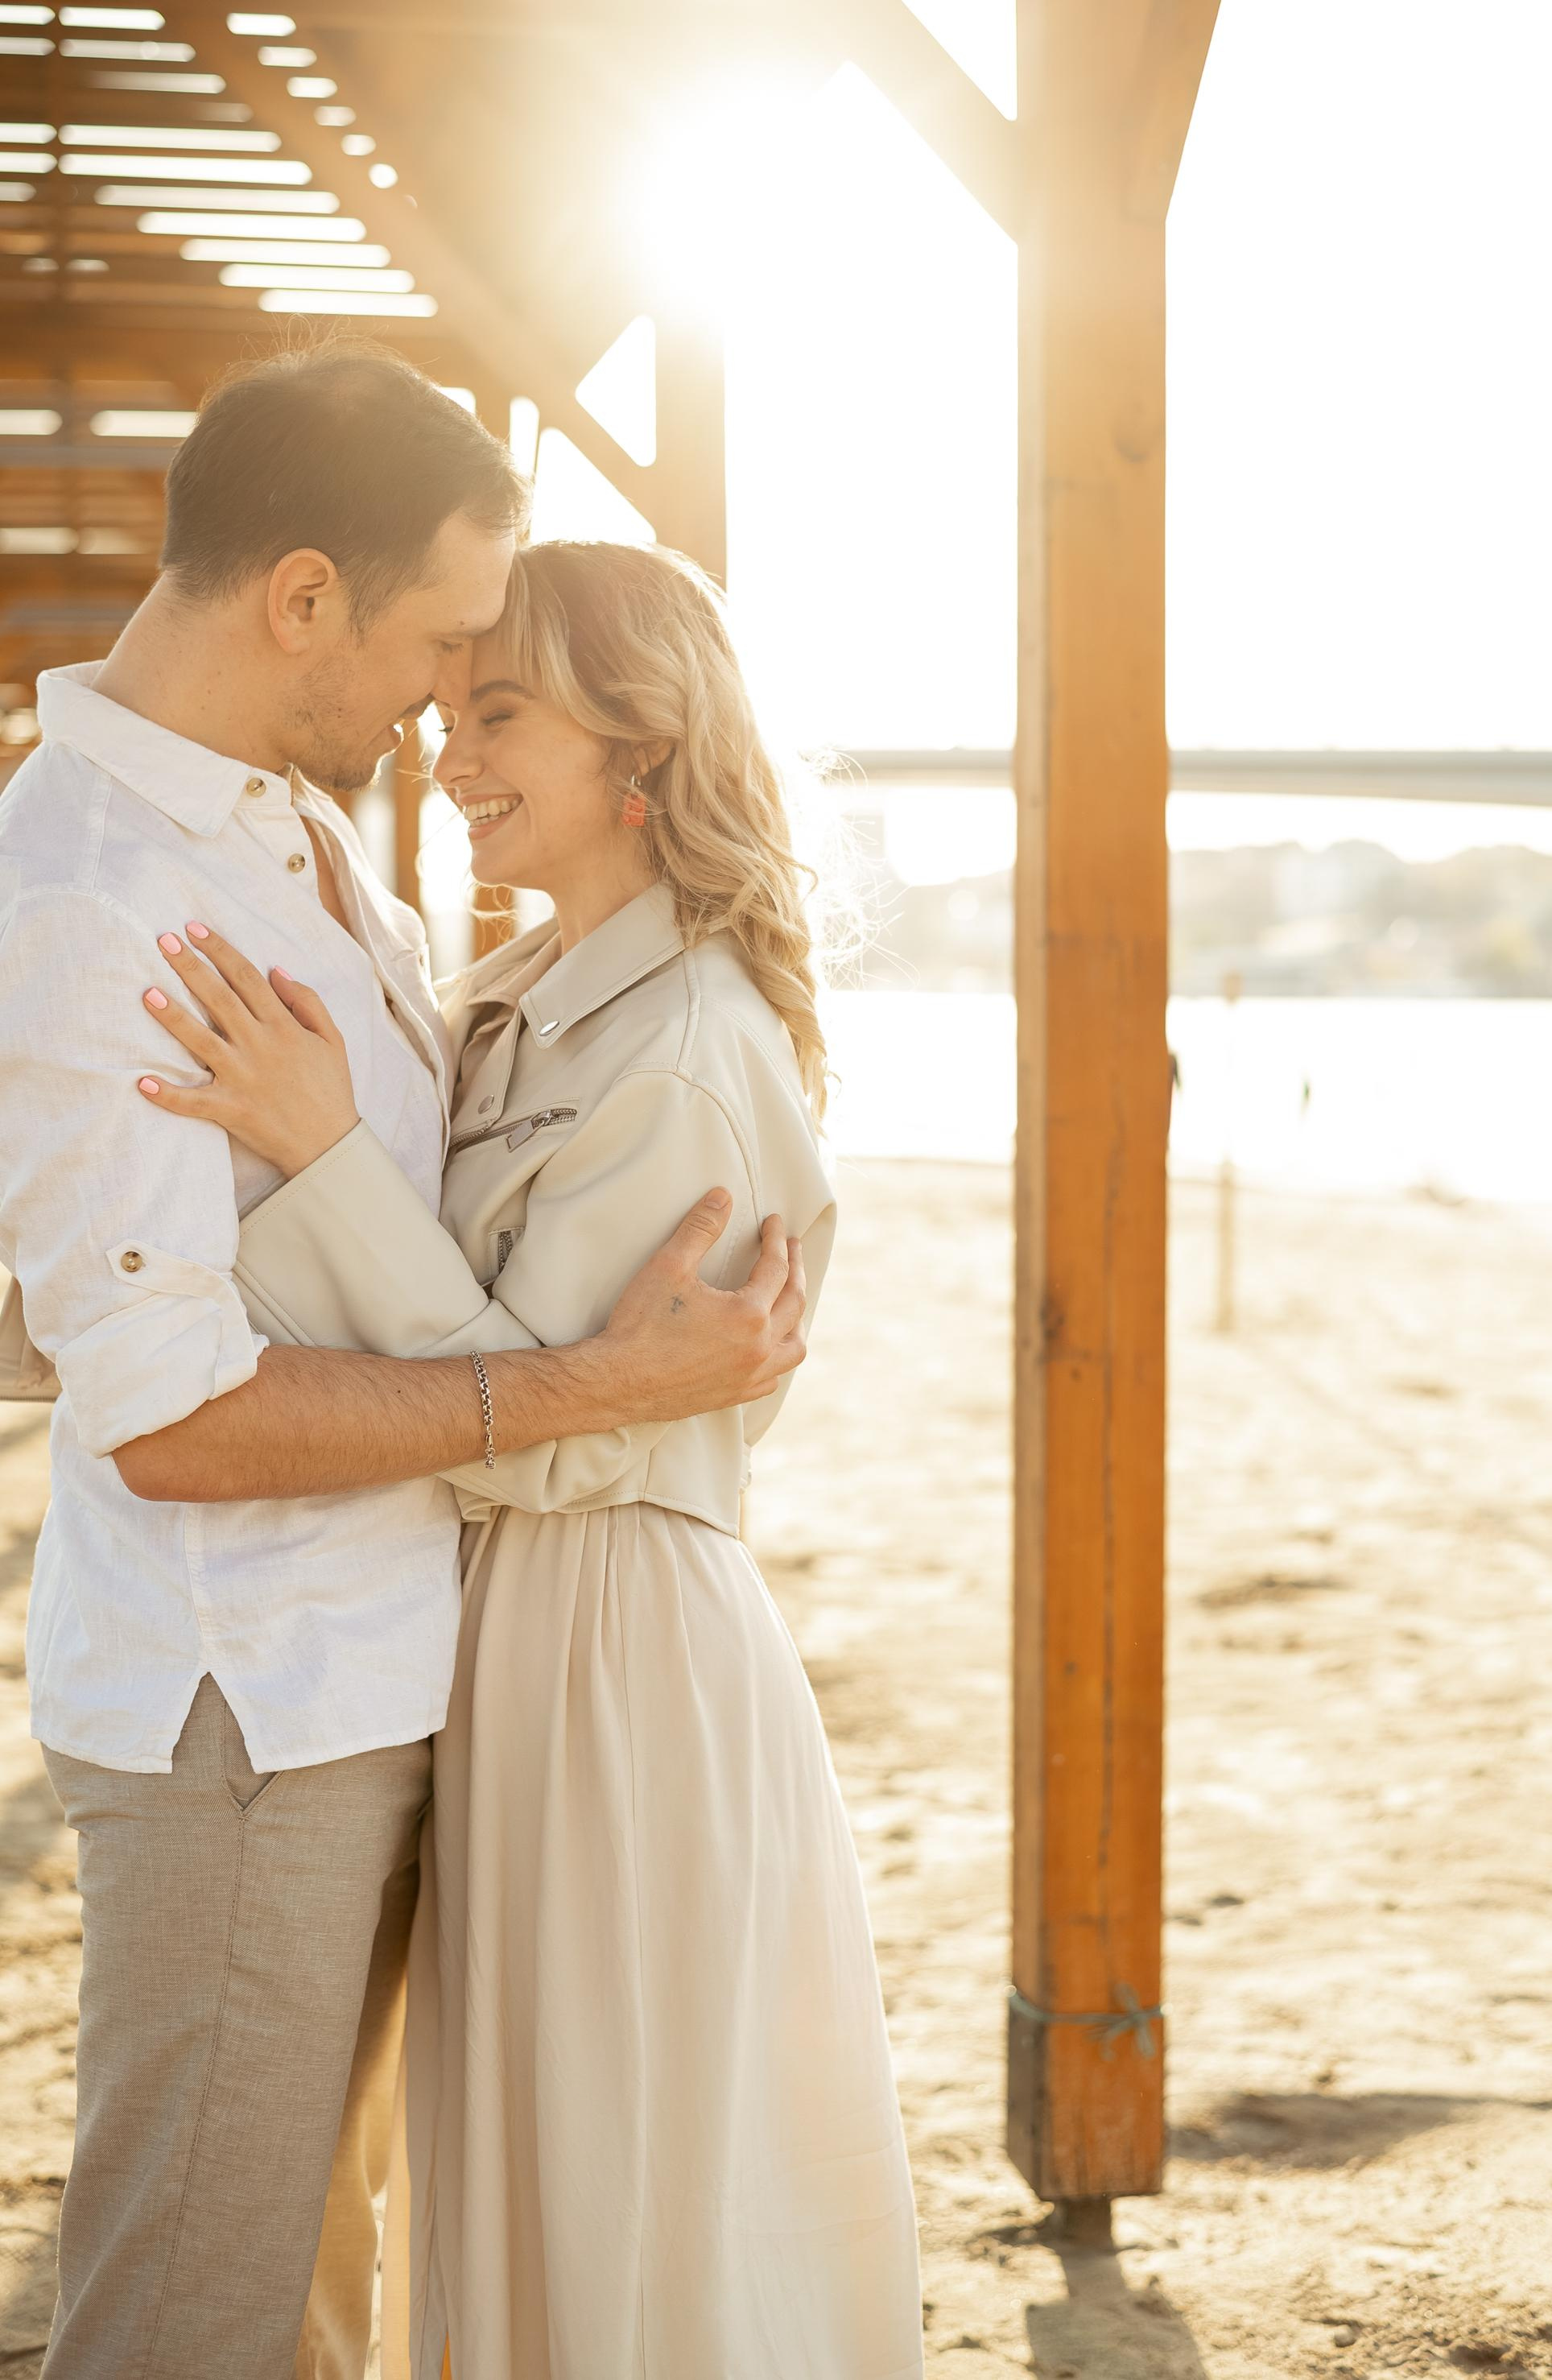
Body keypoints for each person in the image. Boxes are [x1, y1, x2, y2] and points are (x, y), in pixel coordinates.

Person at [0, 349, 809, 2380]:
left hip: (380, 1674)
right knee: (195, 2306)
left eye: (498, 686)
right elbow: (176, 1411)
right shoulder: (105, 888)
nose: (449, 710)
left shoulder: (282, 823)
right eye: (447, 645)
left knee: (310, 2302)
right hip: (247, 1701)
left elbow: (130, 1290)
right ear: (302, 599)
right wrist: (589, 1388)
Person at [135, 539, 925, 2378]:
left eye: (499, 712)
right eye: (454, 703)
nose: (449, 748)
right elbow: (507, 1370)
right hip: (497, 1643)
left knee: (617, 2170)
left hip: (615, 1646)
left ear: (636, 748)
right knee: (523, 2169)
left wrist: (324, 1144)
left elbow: (553, 1434)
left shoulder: (690, 1051)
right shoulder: (505, 1000)